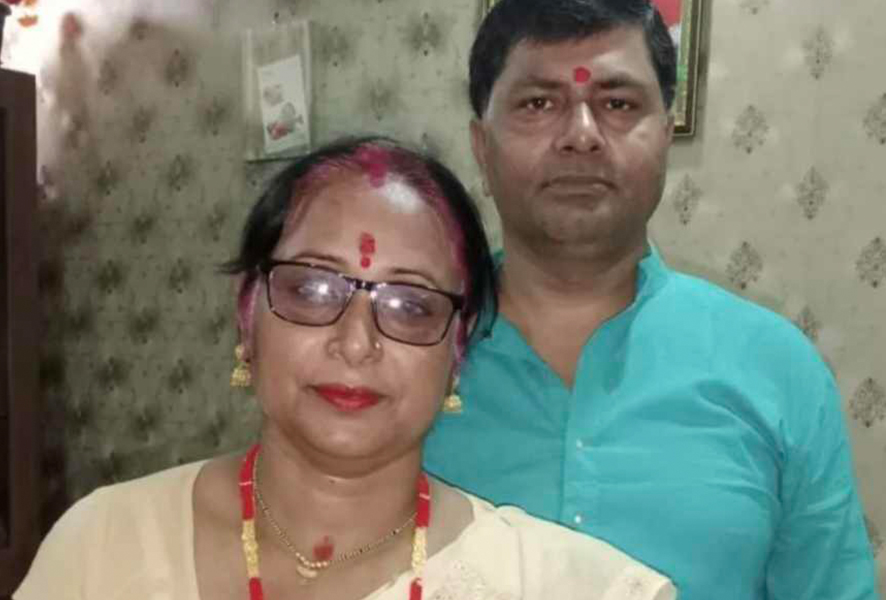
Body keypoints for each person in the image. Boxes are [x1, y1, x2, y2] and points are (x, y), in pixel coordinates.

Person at [15, 137, 677, 600]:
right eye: (311, 288)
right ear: (247, 314)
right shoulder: (101, 546)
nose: (356, 343)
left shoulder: (566, 587)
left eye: (411, 304)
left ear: (457, 349)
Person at [423, 1, 880, 599]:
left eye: (617, 104)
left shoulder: (777, 370)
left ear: (665, 135)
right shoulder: (403, 351)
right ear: (482, 145)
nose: (580, 136)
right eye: (538, 103)